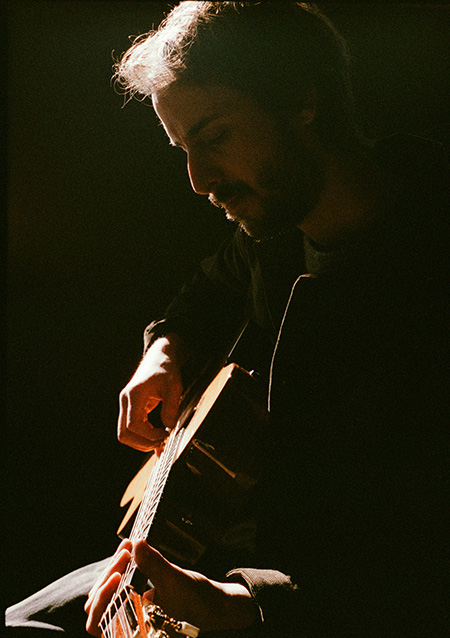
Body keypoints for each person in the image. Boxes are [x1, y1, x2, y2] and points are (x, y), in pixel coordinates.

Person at [6, 2, 449, 636]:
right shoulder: (272, 233)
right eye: (184, 148)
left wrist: (245, 603)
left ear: (301, 100)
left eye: (213, 138)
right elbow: (213, 285)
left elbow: (412, 567)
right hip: (207, 565)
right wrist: (165, 349)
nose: (198, 179)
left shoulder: (426, 277)